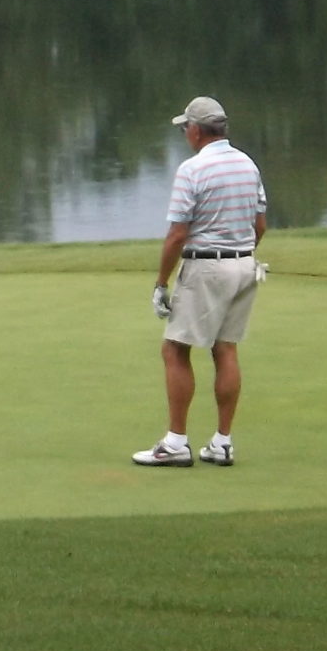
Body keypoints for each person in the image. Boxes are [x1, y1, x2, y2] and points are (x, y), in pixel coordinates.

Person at [133, 97, 267, 469]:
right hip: (245, 266)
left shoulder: (193, 169)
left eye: (184, 129)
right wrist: (240, 254)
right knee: (225, 349)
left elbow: (177, 234)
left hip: (207, 269)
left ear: (195, 130)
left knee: (175, 349)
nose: (184, 135)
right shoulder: (247, 163)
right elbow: (260, 225)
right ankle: (222, 443)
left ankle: (176, 443)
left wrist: (161, 282)